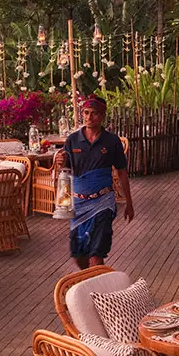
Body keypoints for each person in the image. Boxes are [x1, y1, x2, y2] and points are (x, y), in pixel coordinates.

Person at [62, 96, 134, 269]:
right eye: (86, 113)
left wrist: (129, 203)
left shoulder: (111, 141)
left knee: (96, 255)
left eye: (94, 114)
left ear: (102, 116)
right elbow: (65, 171)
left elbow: (122, 172)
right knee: (78, 256)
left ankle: (97, 291)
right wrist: (59, 164)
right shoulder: (72, 140)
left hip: (103, 203)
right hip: (78, 204)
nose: (89, 117)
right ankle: (91, 282)